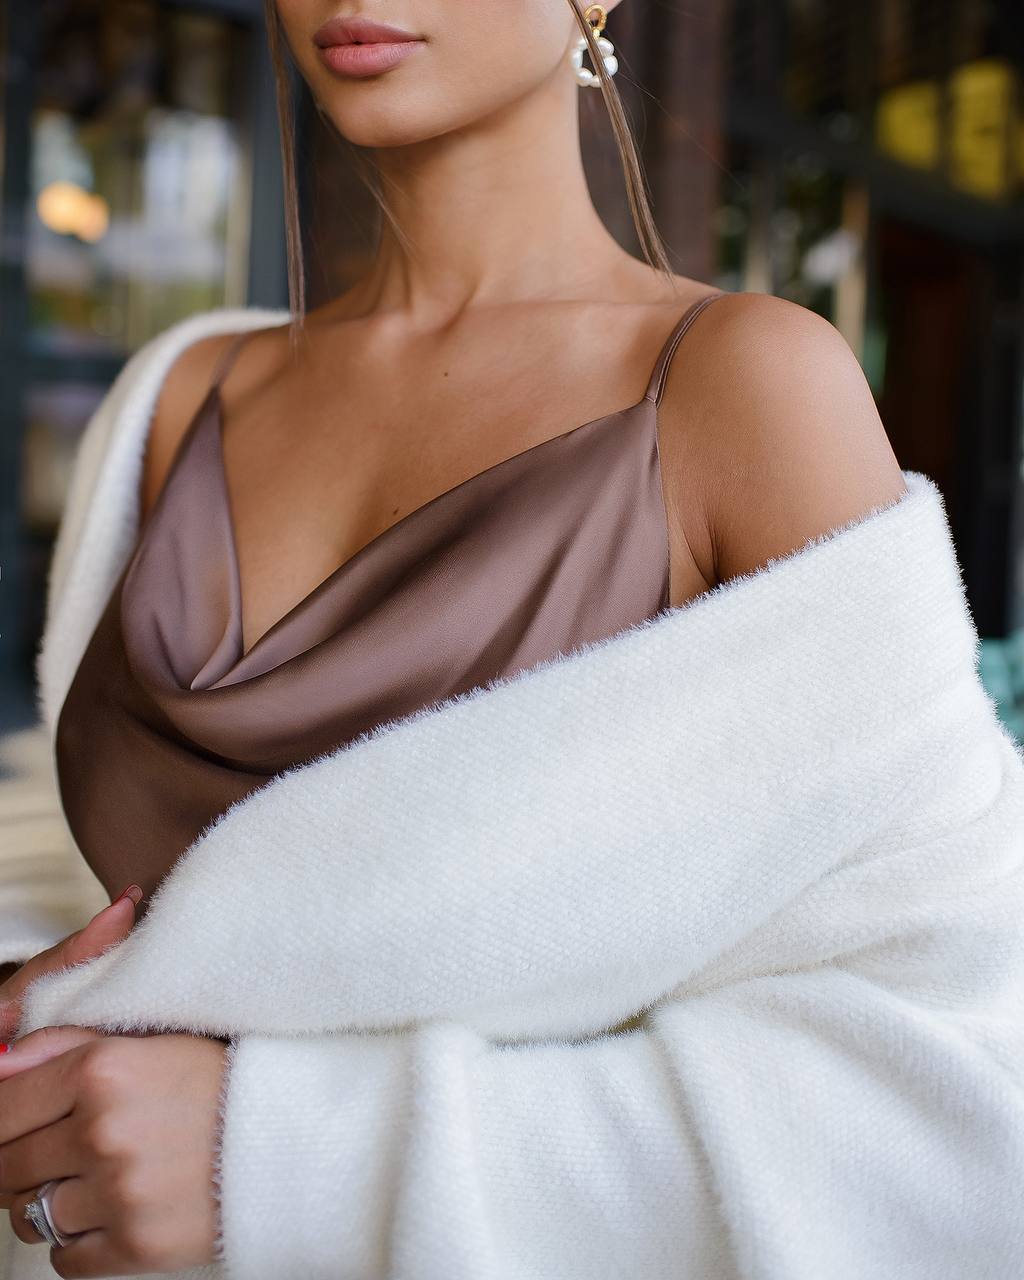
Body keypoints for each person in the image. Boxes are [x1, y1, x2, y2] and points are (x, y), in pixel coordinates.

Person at [0, 1, 913, 1275]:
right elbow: (84, 896)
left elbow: (940, 1068)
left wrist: (290, 1155)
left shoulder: (745, 387)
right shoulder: (176, 395)